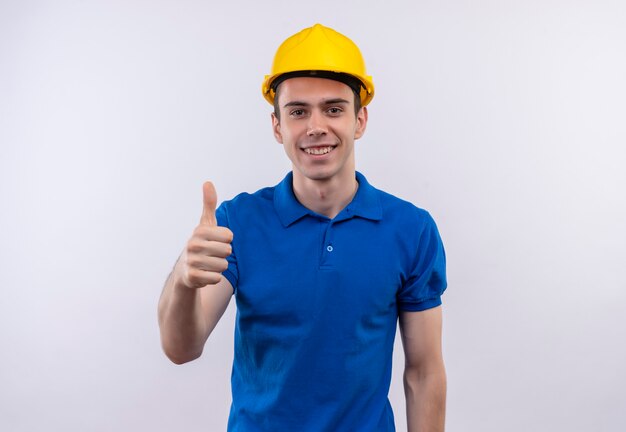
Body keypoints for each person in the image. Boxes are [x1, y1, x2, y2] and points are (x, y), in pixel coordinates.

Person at [158, 23, 448, 431]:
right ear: (277, 126)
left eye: (333, 108)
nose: (316, 126)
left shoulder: (411, 229)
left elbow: (424, 373)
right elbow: (181, 349)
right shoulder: (236, 222)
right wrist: (184, 281)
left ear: (359, 120)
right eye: (298, 112)